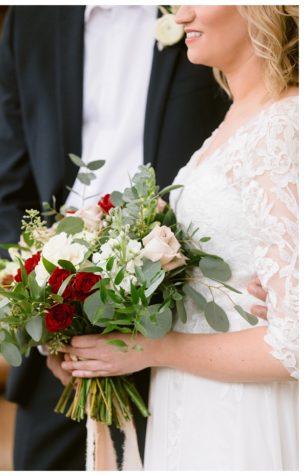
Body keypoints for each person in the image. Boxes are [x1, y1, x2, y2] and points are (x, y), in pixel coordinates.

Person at [0, 6, 232, 470]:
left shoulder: (201, 12)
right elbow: (8, 186)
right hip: (59, 345)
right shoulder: (32, 17)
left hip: (184, 320)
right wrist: (49, 322)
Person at [61, 5, 299, 470]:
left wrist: (155, 349)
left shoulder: (284, 127)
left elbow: (295, 343)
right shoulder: (233, 122)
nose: (181, 12)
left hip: (243, 421)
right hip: (192, 403)